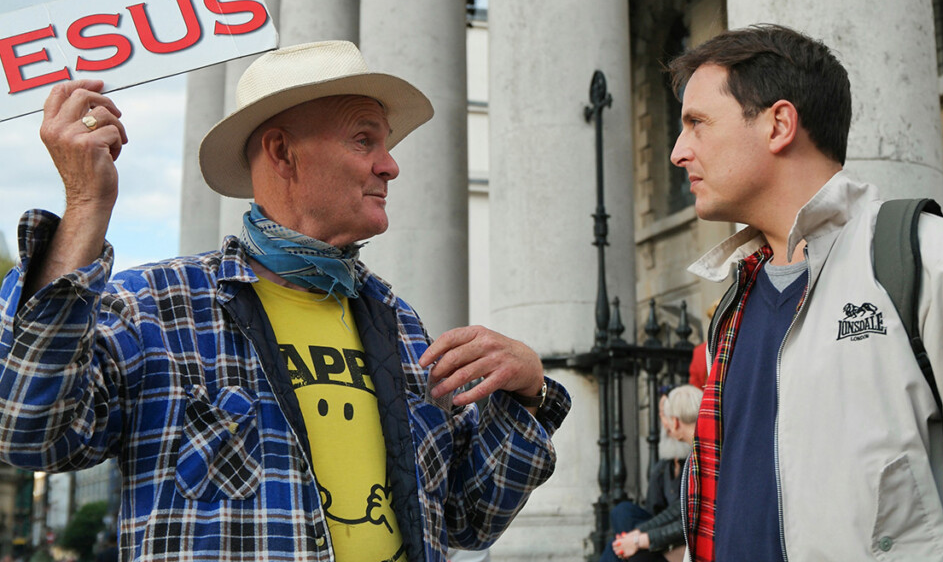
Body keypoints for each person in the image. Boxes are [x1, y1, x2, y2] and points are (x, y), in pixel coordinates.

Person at [0, 40, 570, 562]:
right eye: (364, 139)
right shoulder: (158, 308)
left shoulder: (398, 322)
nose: (390, 165)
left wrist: (528, 394)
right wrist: (84, 203)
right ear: (282, 152)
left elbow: (466, 519)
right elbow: (30, 430)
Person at [668, 24, 943, 561]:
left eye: (697, 123)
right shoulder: (734, 305)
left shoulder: (938, 261)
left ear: (779, 124)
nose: (678, 152)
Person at [603, 385, 702, 562]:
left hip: (697, 544)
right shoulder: (696, 454)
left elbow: (689, 521)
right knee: (621, 522)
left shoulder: (701, 457)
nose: (663, 424)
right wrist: (637, 535)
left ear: (676, 422)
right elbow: (679, 510)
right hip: (679, 536)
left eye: (664, 416)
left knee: (624, 554)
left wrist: (640, 540)